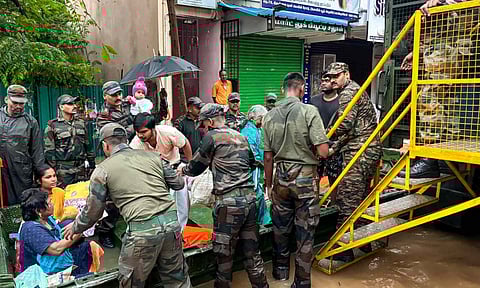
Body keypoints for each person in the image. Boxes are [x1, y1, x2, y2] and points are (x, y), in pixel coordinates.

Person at [63, 123, 191, 288]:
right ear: (126, 139)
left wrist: (76, 227)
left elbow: (93, 212)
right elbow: (179, 183)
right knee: (178, 281)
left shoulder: (102, 170)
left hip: (142, 232)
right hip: (172, 226)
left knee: (130, 283)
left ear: (105, 145)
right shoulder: (154, 157)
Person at [178, 103, 268, 288]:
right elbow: (252, 162)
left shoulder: (212, 137)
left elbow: (195, 168)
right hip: (250, 201)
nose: (202, 129)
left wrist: (182, 169)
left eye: (203, 125)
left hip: (228, 205)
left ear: (210, 122)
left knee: (224, 255)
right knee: (253, 253)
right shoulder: (240, 136)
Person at [263, 72, 329, 288]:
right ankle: (301, 283)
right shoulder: (309, 111)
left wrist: (269, 185)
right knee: (305, 233)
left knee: (280, 229)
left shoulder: (269, 115)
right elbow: (323, 150)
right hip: (305, 180)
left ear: (283, 89)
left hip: (280, 179)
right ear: (301, 89)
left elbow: (268, 156)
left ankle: (279, 272)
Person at [323, 62, 382, 259]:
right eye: (330, 77)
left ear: (346, 75)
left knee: (347, 200)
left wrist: (323, 137)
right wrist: (334, 148)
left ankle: (342, 250)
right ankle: (364, 242)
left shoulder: (348, 92)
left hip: (360, 152)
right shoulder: (355, 89)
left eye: (336, 76)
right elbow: (352, 129)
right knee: (362, 199)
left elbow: (344, 125)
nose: (332, 80)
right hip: (369, 150)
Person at [130, 112, 192, 229]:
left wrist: (190, 166)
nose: (140, 135)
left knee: (181, 203)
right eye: (137, 132)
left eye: (143, 132)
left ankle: (180, 231)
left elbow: (185, 144)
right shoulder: (135, 143)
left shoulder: (168, 132)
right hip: (153, 174)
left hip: (175, 169)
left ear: (153, 128)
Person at [95, 80, 134, 248]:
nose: (118, 97)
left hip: (132, 154)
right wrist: (136, 128)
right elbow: (115, 136)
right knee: (112, 198)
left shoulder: (127, 105)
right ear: (105, 96)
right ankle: (105, 231)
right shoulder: (103, 115)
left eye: (119, 94)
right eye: (114, 95)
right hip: (115, 157)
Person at [18, 188, 91, 276]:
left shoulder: (47, 219)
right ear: (38, 211)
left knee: (86, 246)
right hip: (43, 273)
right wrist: (81, 229)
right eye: (49, 203)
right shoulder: (31, 229)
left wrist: (77, 226)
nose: (52, 204)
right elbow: (56, 249)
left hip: (58, 261)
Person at [0, 85, 45, 206]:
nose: (18, 106)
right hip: (1, 172)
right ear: (7, 99)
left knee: (23, 202)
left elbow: (37, 151)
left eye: (22, 103)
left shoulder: (30, 122)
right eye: (15, 103)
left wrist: (41, 174)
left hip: (21, 172)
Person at [44, 94, 96, 188]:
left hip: (81, 169)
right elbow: (49, 152)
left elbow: (88, 146)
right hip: (63, 171)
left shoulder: (81, 123)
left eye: (74, 103)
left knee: (81, 197)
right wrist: (54, 171)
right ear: (61, 107)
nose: (74, 106)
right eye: (70, 104)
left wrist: (92, 165)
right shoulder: (53, 126)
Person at [310, 73, 343, 191]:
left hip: (334, 146)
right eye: (322, 81)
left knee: (334, 177)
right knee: (315, 177)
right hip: (317, 145)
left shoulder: (342, 102)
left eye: (327, 81)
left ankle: (333, 205)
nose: (323, 83)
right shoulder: (313, 101)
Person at [240, 105, 271, 225]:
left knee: (257, 191)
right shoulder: (249, 130)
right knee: (256, 191)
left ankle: (262, 219)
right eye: (261, 117)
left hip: (258, 166)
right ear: (253, 116)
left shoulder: (256, 129)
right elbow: (252, 152)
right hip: (254, 167)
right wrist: (261, 163)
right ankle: (262, 220)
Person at [174, 97, 205, 161]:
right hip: (184, 158)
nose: (200, 110)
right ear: (189, 109)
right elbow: (176, 141)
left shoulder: (203, 121)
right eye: (197, 108)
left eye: (201, 108)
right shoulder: (180, 122)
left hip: (200, 158)